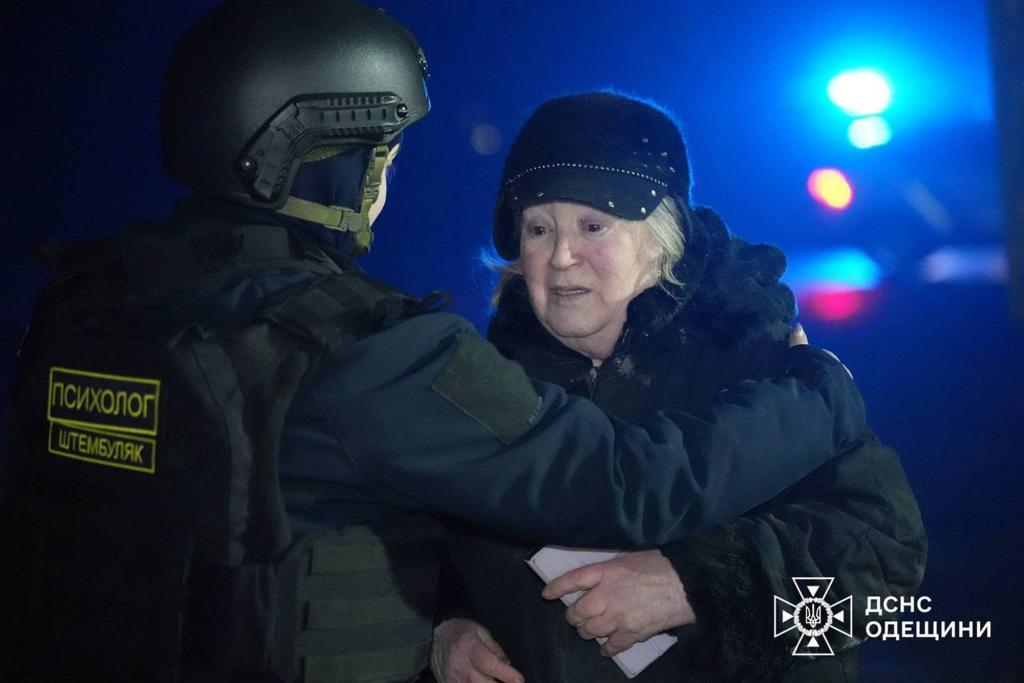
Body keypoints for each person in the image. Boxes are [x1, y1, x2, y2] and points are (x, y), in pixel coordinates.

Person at [0, 5, 865, 683]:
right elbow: (619, 485)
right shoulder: (365, 347)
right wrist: (819, 388)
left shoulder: (94, 302)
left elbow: (889, 586)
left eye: (595, 224)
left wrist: (709, 591)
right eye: (381, 153)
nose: (561, 254)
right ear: (320, 154)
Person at [432, 92, 926, 682]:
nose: (561, 256)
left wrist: (693, 585)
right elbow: (433, 547)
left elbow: (888, 566)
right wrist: (447, 629)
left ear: (662, 238)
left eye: (594, 225)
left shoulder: (758, 364)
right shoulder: (491, 383)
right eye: (539, 229)